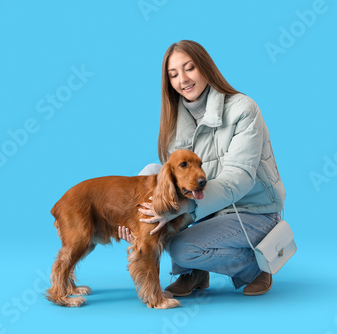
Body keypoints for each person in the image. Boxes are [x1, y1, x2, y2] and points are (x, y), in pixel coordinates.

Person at [119, 40, 285, 297]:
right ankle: (193, 272)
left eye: (189, 68)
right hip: (208, 211)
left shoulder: (243, 109)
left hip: (252, 212)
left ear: (205, 67)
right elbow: (171, 180)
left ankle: (254, 267)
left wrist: (179, 208)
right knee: (152, 172)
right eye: (173, 74)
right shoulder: (175, 121)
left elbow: (238, 179)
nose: (183, 79)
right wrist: (133, 218)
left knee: (180, 248)